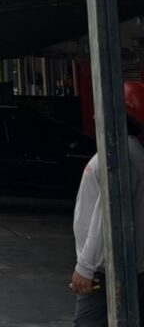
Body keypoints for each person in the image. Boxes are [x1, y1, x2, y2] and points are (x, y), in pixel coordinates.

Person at [70, 115, 144, 325]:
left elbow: (107, 214)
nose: (93, 117)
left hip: (107, 270)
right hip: (112, 267)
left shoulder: (120, 155)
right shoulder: (126, 150)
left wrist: (85, 267)